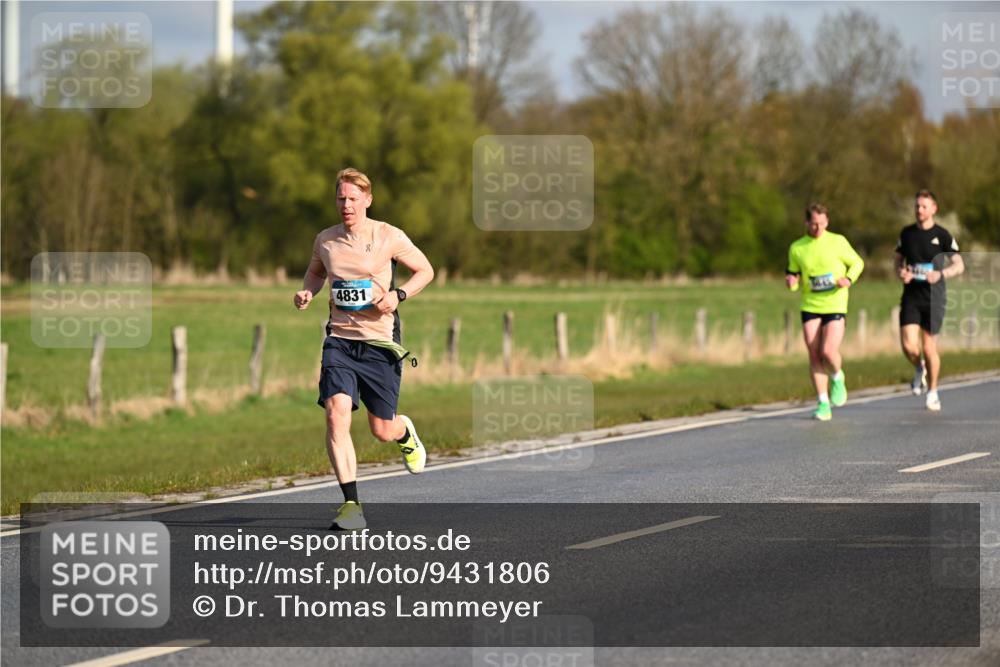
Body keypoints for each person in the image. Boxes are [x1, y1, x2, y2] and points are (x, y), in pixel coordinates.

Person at [294, 168, 435, 530]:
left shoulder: (388, 235)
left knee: (381, 429)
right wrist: (308, 291)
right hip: (340, 341)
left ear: (367, 200)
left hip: (379, 340)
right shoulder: (325, 240)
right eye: (341, 198)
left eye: (353, 198)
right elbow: (316, 272)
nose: (346, 205)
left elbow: (425, 270)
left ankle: (404, 433)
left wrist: (398, 295)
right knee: (336, 411)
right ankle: (351, 505)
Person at [786, 203, 865, 421]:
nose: (818, 228)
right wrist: (791, 282)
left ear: (827, 222)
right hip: (810, 305)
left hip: (835, 303)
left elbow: (857, 263)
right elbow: (793, 276)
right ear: (806, 223)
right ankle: (823, 403)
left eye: (822, 223)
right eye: (813, 224)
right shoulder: (797, 248)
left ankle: (838, 377)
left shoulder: (838, 241)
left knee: (828, 351)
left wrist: (848, 279)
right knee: (814, 354)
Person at [895, 189, 964, 411]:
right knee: (908, 345)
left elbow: (959, 265)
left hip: (934, 298)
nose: (919, 210)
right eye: (917, 206)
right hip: (911, 296)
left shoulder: (943, 235)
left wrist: (941, 274)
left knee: (929, 346)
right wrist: (901, 272)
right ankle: (919, 368)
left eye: (924, 206)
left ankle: (933, 392)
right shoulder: (906, 234)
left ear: (934, 208)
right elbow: (897, 260)